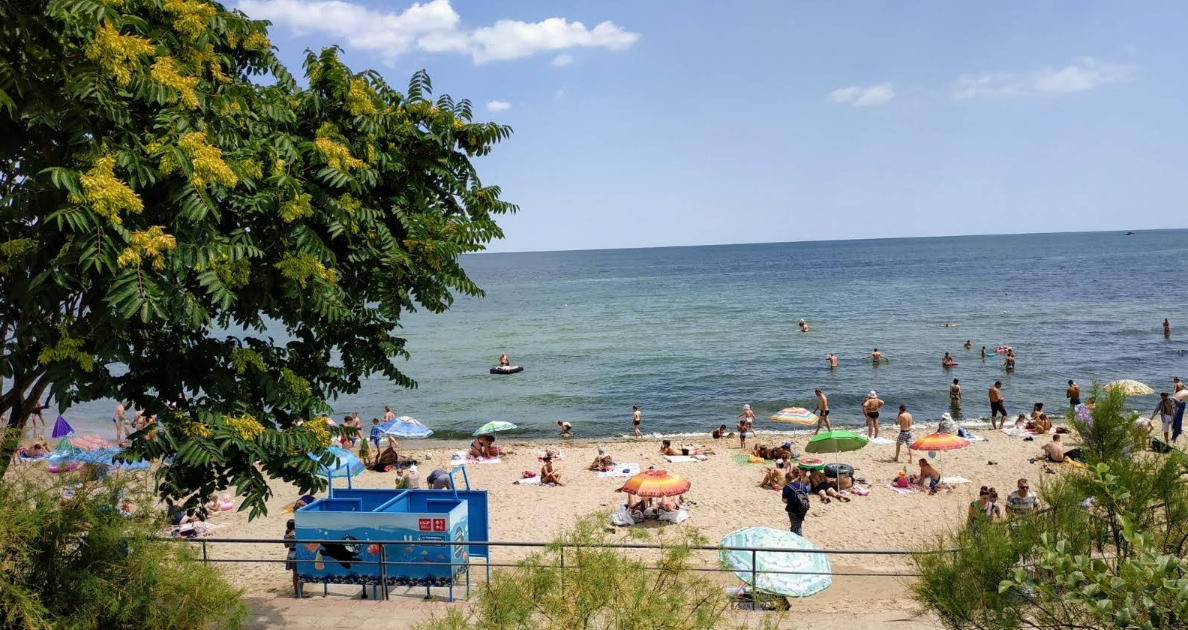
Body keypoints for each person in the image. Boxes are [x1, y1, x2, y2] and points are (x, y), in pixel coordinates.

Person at [284, 518, 299, 596]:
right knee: (299, 574)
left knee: (295, 574)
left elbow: (286, 546)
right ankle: (299, 591)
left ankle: (297, 591)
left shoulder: (286, 535)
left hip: (290, 554)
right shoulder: (296, 534)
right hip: (297, 554)